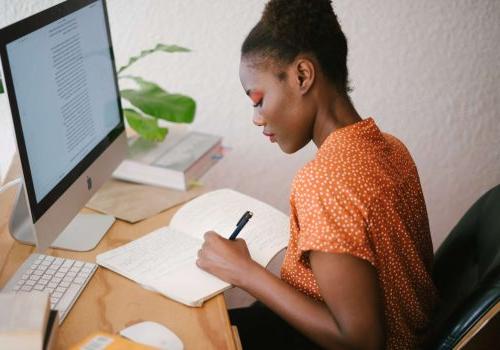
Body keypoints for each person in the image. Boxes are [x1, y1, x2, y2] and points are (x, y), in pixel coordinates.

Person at [196, 0, 438, 349]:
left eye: (258, 100)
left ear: (302, 76)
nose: (257, 118)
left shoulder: (324, 181)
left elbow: (360, 341)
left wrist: (245, 273)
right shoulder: (390, 147)